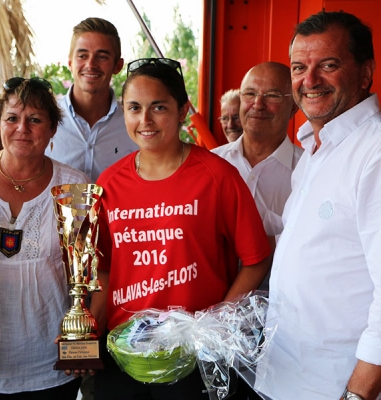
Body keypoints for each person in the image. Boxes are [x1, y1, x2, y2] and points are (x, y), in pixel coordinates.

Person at [89, 58, 272, 399]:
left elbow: (256, 258)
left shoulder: (217, 176)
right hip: (124, 356)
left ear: (183, 110)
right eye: (134, 108)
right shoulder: (109, 183)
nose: (145, 120)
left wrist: (215, 324)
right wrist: (88, 329)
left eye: (158, 107)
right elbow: (103, 269)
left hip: (193, 359)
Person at [255, 11, 381, 400]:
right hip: (283, 375)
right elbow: (309, 242)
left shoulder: (374, 151)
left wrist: (359, 394)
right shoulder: (314, 148)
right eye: (299, 67)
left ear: (365, 73)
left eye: (328, 65)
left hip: (334, 387)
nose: (308, 81)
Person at [0, 77, 88, 400]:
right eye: (12, 118)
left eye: (35, 119)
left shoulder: (73, 186)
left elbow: (93, 272)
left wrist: (83, 337)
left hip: (49, 366)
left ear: (52, 130)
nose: (22, 128)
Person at [212, 62, 303, 251]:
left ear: (294, 106)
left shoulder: (308, 169)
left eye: (272, 96)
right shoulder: (211, 164)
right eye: (250, 94)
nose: (258, 104)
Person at [48, 17, 138, 182]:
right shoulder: (45, 120)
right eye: (82, 55)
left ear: (118, 66)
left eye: (102, 57)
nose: (91, 64)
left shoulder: (134, 125)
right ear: (70, 62)